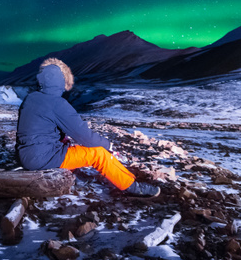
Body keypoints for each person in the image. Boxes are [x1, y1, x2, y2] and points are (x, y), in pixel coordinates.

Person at [15, 57, 160, 197]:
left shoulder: (31, 98)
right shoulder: (57, 103)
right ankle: (133, 187)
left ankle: (72, 173)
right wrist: (107, 144)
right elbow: (85, 137)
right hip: (41, 158)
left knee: (66, 142)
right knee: (99, 154)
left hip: (25, 155)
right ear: (60, 82)